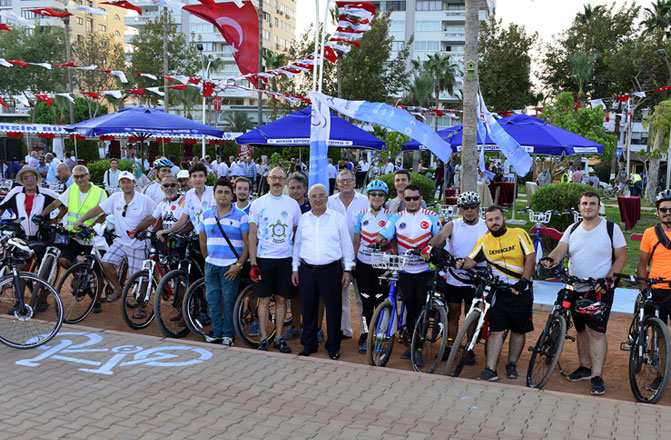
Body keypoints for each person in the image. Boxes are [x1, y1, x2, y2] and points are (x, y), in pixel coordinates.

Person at [542, 191, 626, 395]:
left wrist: (609, 279)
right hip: (575, 287)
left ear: (599, 207)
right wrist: (549, 259)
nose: (588, 207)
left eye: (592, 203)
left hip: (598, 289)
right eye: (584, 203)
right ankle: (585, 367)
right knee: (580, 329)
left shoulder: (610, 228)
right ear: (579, 207)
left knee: (596, 332)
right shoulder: (573, 229)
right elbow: (560, 250)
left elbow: (621, 257)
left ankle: (597, 376)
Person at [456, 205, 536, 382]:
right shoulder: (484, 241)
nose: (494, 223)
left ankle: (512, 364)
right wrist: (461, 262)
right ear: (486, 222)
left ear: (504, 219)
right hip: (499, 292)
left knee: (518, 331)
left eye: (497, 219)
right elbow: (472, 260)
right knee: (496, 331)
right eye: (490, 220)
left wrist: (524, 281)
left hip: (521, 290)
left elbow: (530, 256)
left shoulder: (518, 234)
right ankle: (490, 369)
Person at [377, 184, 441, 362]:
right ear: (403, 200)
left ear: (421, 198)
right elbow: (383, 235)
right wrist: (381, 242)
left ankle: (418, 347)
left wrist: (431, 249)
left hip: (424, 270)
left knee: (421, 309)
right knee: (410, 308)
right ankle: (413, 342)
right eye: (408, 199)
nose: (412, 202)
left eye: (415, 198)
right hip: (404, 270)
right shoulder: (396, 217)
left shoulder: (431, 217)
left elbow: (441, 239)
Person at [74, 171, 157, 305]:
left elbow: (157, 214)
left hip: (138, 243)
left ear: (134, 183)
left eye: (128, 182)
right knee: (106, 263)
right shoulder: (115, 197)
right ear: (119, 184)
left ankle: (142, 305)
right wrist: (82, 220)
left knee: (140, 278)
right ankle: (118, 289)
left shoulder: (144, 200)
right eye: (123, 182)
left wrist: (153, 231)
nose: (126, 185)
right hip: (121, 241)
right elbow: (98, 210)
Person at [292, 183, 354, 360]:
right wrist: (295, 269)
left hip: (331, 270)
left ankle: (333, 347)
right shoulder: (304, 218)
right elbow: (297, 245)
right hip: (307, 270)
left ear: (327, 198)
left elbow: (346, 246)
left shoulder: (337, 218)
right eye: (314, 196)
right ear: (309, 199)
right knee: (308, 309)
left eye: (321, 196)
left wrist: (347, 270)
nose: (318, 199)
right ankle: (309, 344)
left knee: (334, 310)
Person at [426, 192, 488, 363]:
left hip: (475, 276)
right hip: (455, 275)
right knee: (453, 313)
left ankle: (469, 348)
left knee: (471, 314)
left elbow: (488, 250)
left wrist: (473, 262)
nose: (469, 210)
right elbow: (439, 237)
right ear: (459, 209)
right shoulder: (453, 225)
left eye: (473, 207)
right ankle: (450, 346)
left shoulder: (485, 226)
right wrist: (428, 248)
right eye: (465, 207)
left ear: (478, 207)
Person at [248, 167, 301, 353]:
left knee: (281, 299)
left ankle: (278, 337)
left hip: (285, 259)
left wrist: (295, 263)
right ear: (268, 180)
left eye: (281, 178)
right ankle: (264, 338)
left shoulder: (292, 205)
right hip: (264, 258)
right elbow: (252, 234)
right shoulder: (258, 204)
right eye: (274, 178)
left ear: (285, 181)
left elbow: (296, 235)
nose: (277, 181)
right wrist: (253, 263)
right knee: (263, 300)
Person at [199, 178, 249, 346]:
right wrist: (207, 259)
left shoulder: (241, 217)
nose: (223, 195)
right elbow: (202, 239)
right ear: (214, 194)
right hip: (211, 265)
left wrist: (238, 265)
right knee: (212, 300)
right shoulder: (205, 215)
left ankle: (228, 334)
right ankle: (216, 332)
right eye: (220, 192)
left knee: (229, 301)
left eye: (227, 192)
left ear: (232, 195)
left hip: (231, 266)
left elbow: (247, 244)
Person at [327, 169, 369, 343]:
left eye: (348, 180)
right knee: (341, 296)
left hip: (361, 256)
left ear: (354, 182)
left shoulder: (365, 201)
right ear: (337, 184)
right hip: (337, 257)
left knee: (363, 298)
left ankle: (365, 331)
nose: (345, 183)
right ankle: (344, 330)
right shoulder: (329, 202)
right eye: (341, 181)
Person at [38, 165, 107, 271]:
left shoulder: (99, 192)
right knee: (63, 260)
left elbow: (103, 215)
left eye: (82, 176)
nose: (79, 179)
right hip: (74, 236)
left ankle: (94, 280)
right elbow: (57, 202)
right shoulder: (72, 188)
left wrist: (90, 228)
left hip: (92, 238)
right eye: (76, 177)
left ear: (88, 176)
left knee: (97, 271)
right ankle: (80, 275)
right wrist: (41, 216)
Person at [352, 180, 393, 353]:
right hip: (363, 265)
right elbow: (356, 240)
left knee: (381, 301)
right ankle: (366, 333)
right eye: (373, 194)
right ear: (368, 196)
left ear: (385, 198)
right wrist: (352, 262)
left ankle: (380, 335)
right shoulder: (361, 215)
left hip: (382, 266)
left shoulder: (391, 216)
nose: (377, 198)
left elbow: (394, 241)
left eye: (380, 195)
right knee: (366, 302)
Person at [636, 190, 671, 391]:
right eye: (663, 209)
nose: (668, 213)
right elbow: (642, 264)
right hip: (657, 290)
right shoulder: (650, 233)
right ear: (657, 212)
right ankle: (660, 375)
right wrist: (643, 289)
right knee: (658, 334)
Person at [0, 166, 59, 240]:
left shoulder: (46, 193)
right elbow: (2, 207)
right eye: (25, 178)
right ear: (22, 181)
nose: (29, 180)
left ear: (37, 179)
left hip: (43, 237)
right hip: (20, 238)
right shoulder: (15, 192)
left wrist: (57, 219)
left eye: (32, 177)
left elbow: (64, 202)